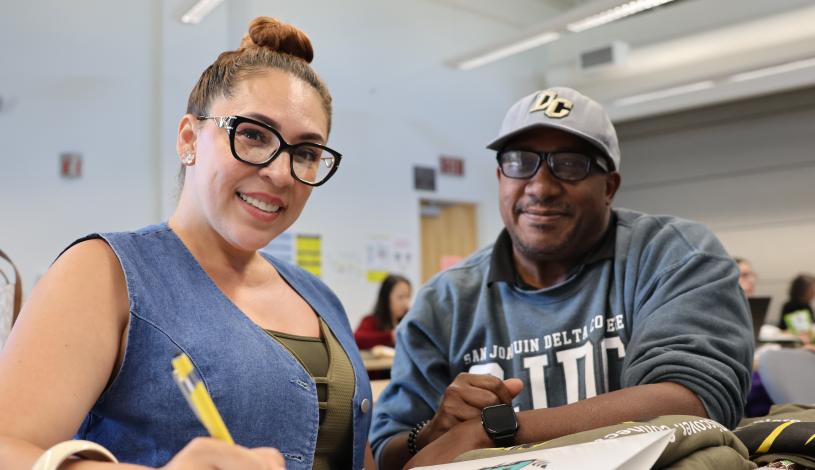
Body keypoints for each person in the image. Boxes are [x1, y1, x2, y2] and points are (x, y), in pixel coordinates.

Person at [0, 17, 372, 470]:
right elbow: (8, 447)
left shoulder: (320, 298)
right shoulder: (104, 273)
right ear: (189, 138)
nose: (279, 172)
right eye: (253, 135)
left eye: (306, 152)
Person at [369, 87, 754, 468]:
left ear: (609, 187)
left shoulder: (673, 256)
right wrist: (434, 431)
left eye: (570, 164)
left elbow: (694, 401)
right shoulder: (446, 301)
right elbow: (387, 449)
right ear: (501, 176)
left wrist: (494, 430)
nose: (541, 186)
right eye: (521, 162)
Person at [354, 274, 412, 350]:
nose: (405, 303)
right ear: (386, 297)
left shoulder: (409, 322)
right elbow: (357, 339)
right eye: (400, 297)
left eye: (408, 297)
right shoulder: (371, 320)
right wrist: (390, 336)